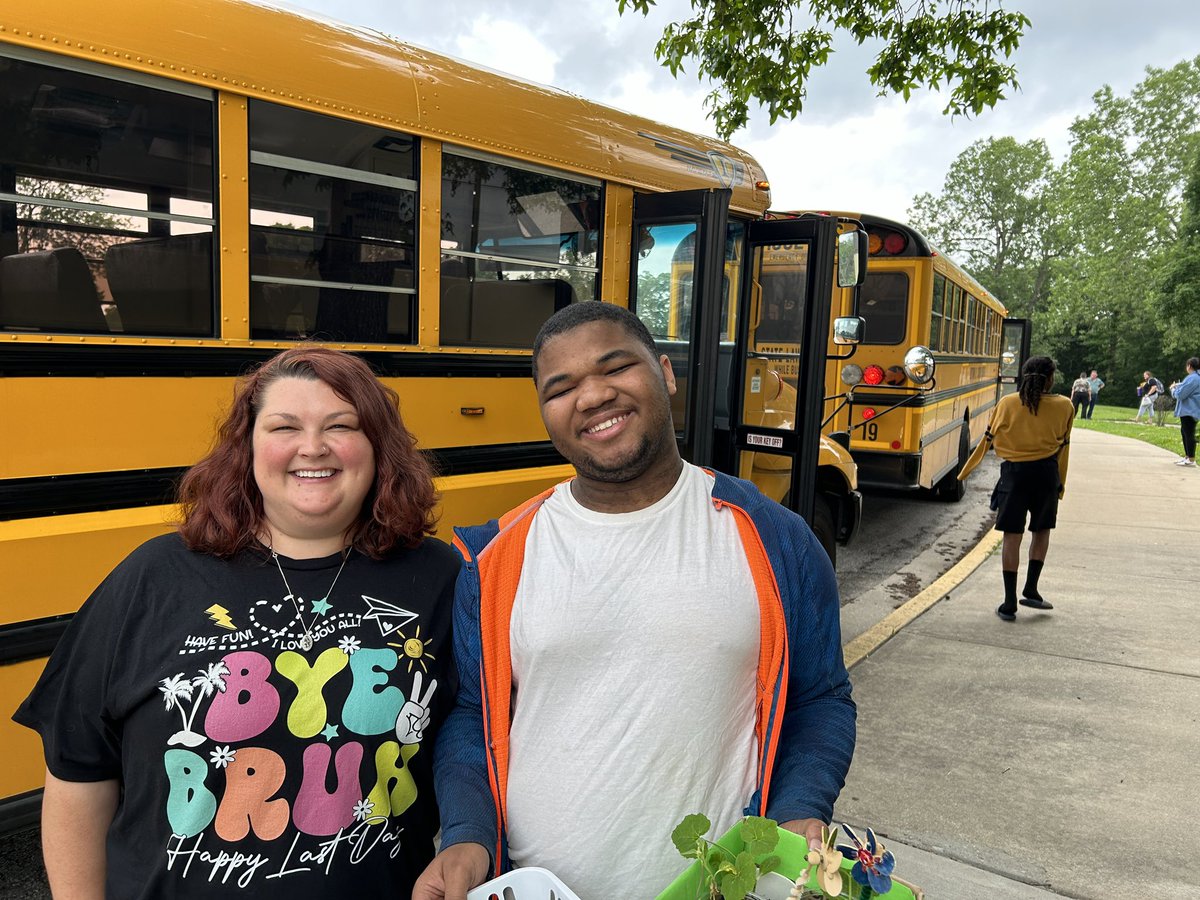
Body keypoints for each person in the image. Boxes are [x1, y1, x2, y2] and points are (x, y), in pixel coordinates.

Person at [414, 303, 856, 900]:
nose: (592, 396)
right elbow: (471, 714)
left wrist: (800, 806)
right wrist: (468, 835)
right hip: (534, 886)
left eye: (615, 366)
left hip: (718, 887)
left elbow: (819, 696)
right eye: (561, 388)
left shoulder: (775, 540)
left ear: (666, 373)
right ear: (546, 413)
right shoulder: (495, 557)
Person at [14, 347, 461, 898]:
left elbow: (470, 736)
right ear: (247, 447)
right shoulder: (155, 576)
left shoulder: (438, 577)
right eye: (284, 426)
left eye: (340, 425)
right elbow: (77, 767)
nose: (312, 447)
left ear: (377, 447)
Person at [959, 356, 1074, 621]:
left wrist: (964, 472)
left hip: (1014, 474)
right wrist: (1061, 485)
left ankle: (1009, 601)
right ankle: (1031, 589)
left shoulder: (1007, 403)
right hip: (1046, 474)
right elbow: (1064, 449)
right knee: (1041, 530)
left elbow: (986, 442)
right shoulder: (1065, 406)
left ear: (1023, 376)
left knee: (1012, 535)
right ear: (1050, 379)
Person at [1169, 357, 1200, 467]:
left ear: (1189, 366)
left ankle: (1191, 459)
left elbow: (1180, 395)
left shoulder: (1193, 378)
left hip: (1189, 410)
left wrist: (1173, 389)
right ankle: (1187, 457)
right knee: (1185, 432)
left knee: (1188, 433)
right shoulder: (1196, 377)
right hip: (1192, 409)